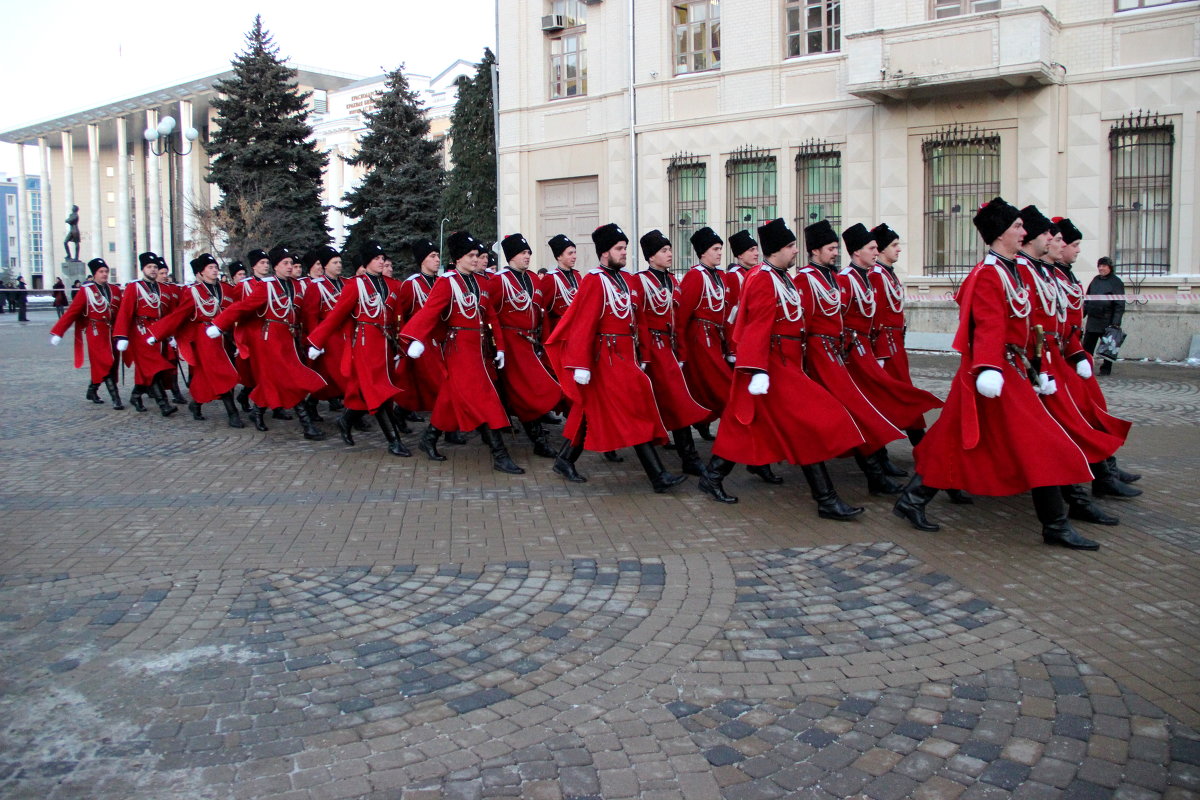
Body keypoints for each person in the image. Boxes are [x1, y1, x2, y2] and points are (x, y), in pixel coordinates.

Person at [893, 197, 1100, 550]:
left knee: (954, 441)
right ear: (1001, 233)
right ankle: (1055, 524)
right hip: (992, 372)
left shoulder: (1014, 269)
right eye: (1018, 226)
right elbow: (985, 325)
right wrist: (989, 368)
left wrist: (1037, 371)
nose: (1025, 231)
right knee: (1041, 442)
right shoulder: (988, 273)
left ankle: (912, 500)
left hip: (1013, 369)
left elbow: (1031, 326)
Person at [707, 218, 866, 518]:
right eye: (791, 246)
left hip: (787, 363)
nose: (796, 251)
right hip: (772, 366)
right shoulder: (763, 278)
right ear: (776, 250)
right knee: (811, 421)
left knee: (748, 425)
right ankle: (826, 498)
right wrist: (756, 370)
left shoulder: (782, 277)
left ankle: (712, 476)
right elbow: (756, 325)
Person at [544, 223, 685, 492]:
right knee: (633, 412)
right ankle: (658, 476)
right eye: (619, 249)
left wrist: (643, 354)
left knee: (591, 412)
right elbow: (583, 324)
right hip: (604, 359)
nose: (624, 253)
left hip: (624, 356)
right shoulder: (595, 280)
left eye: (625, 248)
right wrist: (580, 364)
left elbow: (638, 320)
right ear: (604, 252)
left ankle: (564, 459)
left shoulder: (627, 280)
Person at [401, 231, 524, 474]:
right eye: (470, 255)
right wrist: (416, 337)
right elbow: (430, 311)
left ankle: (429, 438)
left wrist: (499, 346)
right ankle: (500, 455)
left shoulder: (481, 282)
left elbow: (491, 317)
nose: (476, 259)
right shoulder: (447, 282)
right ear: (458, 258)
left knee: (449, 398)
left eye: (477, 255)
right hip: (459, 352)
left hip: (479, 350)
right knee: (486, 401)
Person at [798, 220, 905, 495]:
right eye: (831, 248)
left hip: (842, 352)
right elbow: (806, 323)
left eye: (836, 248)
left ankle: (876, 472)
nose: (836, 253)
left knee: (861, 409)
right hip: (827, 355)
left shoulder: (834, 277)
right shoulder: (810, 278)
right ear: (816, 250)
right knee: (850, 411)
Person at [838, 223, 942, 478]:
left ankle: (914, 450)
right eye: (892, 246)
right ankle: (901, 453)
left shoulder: (885, 275)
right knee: (893, 398)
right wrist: (879, 352)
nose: (898, 250)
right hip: (876, 346)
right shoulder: (872, 276)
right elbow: (869, 318)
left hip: (893, 344)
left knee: (897, 397)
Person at [208, 245, 328, 439]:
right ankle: (307, 426)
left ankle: (258, 411)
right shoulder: (266, 285)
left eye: (291, 263)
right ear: (276, 266)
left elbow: (305, 314)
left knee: (273, 380)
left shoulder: (297, 285)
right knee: (293, 380)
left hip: (289, 339)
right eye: (285, 263)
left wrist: (313, 338)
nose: (290, 267)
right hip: (270, 340)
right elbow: (243, 307)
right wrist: (220, 325)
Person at [308, 241, 411, 457]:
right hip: (365, 346)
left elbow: (398, 317)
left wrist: (402, 345)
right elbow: (336, 316)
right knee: (379, 393)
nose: (381, 262)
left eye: (383, 258)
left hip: (385, 345)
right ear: (366, 263)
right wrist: (316, 341)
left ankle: (345, 420)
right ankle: (394, 441)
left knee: (366, 392)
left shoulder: (392, 285)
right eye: (376, 259)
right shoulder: (355, 285)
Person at [634, 229, 716, 483]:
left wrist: (681, 350)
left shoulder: (673, 281)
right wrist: (645, 354)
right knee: (675, 401)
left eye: (669, 250)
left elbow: (679, 320)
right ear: (651, 257)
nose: (670, 254)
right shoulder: (640, 281)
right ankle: (688, 458)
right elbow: (640, 321)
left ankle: (684, 455)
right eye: (664, 251)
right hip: (653, 349)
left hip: (668, 348)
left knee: (674, 401)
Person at [147, 254, 244, 428]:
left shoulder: (226, 289)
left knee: (205, 377)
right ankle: (233, 413)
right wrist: (158, 334)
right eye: (210, 268)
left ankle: (196, 404)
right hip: (204, 336)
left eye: (215, 267)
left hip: (225, 337)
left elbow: (239, 307)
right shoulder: (193, 291)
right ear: (201, 272)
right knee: (222, 372)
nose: (214, 270)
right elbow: (179, 315)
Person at [494, 233, 563, 457]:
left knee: (535, 389)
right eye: (523, 253)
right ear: (512, 256)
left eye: (528, 252)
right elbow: (489, 314)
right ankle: (538, 440)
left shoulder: (534, 279)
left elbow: (541, 310)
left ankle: (539, 436)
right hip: (512, 344)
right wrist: (498, 346)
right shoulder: (499, 280)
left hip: (532, 342)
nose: (528, 256)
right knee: (530, 390)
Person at [677, 226, 734, 445]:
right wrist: (681, 351)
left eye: (720, 249)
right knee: (725, 389)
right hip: (700, 341)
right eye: (715, 249)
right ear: (703, 252)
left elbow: (728, 312)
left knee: (713, 390)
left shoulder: (721, 276)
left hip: (716, 340)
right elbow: (682, 316)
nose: (720, 253)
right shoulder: (695, 276)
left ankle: (703, 419)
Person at [49, 257, 124, 409]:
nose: (104, 274)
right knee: (105, 361)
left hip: (111, 331)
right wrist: (59, 332)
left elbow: (122, 312)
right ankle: (116, 398)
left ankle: (92, 390)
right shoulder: (86, 290)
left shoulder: (115, 290)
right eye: (101, 271)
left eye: (106, 271)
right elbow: (72, 312)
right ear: (94, 274)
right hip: (95, 331)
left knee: (112, 362)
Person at [113, 252, 179, 416]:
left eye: (155, 267)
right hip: (140, 332)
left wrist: (172, 335)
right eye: (149, 267)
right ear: (143, 269)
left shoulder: (164, 288)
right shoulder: (134, 287)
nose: (153, 270)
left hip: (159, 332)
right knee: (155, 367)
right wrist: (121, 335)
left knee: (150, 368)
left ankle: (136, 395)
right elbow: (125, 312)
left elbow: (170, 314)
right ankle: (163, 404)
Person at [1084, 256, 1125, 375]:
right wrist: (1082, 313)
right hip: (1093, 320)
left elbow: (1119, 304)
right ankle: (1087, 368)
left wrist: (1116, 322)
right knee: (1087, 347)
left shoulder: (1116, 282)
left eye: (1104, 266)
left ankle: (1106, 369)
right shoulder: (1095, 280)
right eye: (1099, 266)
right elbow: (1088, 298)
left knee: (1108, 348)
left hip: (1107, 321)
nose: (1101, 268)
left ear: (1110, 267)